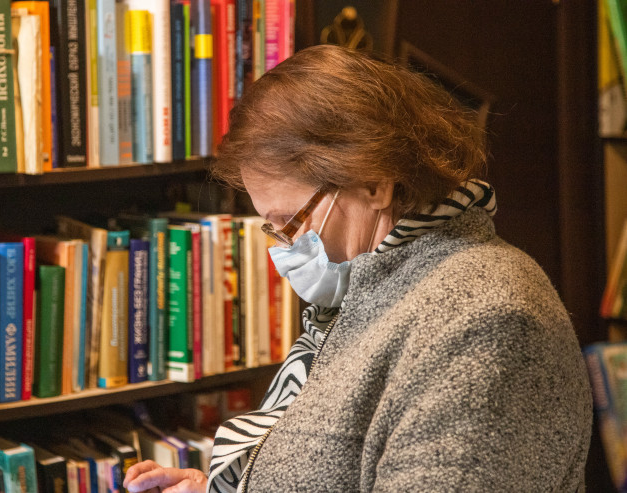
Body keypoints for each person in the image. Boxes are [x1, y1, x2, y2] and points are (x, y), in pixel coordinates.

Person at [123, 44, 592, 492]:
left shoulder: (485, 319)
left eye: (290, 221)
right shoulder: (378, 288)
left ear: (373, 183)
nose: (286, 246)